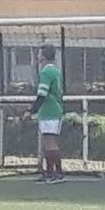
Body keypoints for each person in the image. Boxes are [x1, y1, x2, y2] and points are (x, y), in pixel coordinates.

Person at [22, 44, 64, 184]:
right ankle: (55, 172)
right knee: (50, 142)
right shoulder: (56, 71)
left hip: (49, 111)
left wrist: (30, 111)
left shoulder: (45, 73)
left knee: (49, 142)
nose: (37, 56)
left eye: (39, 54)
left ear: (44, 56)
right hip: (55, 109)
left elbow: (42, 95)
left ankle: (53, 173)